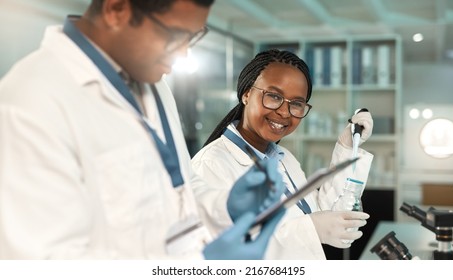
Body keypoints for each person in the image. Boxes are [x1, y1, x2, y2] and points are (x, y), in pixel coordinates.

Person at [0, 0, 286, 259]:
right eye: (175, 36)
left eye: (193, 36)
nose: (184, 53)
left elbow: (175, 189)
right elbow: (45, 263)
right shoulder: (30, 102)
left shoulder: (154, 83)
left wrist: (226, 206)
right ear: (116, 10)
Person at [191, 49, 374, 259]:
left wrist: (346, 148)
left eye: (296, 104)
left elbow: (324, 212)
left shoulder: (284, 158)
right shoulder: (211, 164)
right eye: (274, 96)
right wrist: (308, 230)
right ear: (246, 94)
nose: (284, 112)